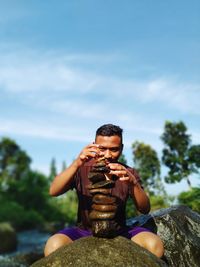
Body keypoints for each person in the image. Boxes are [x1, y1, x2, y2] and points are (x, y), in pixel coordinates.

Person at [44, 124, 164, 258]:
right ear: (94, 146)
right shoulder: (80, 169)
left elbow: (145, 209)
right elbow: (53, 191)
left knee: (155, 245)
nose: (108, 155)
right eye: (102, 149)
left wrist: (133, 183)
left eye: (114, 149)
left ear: (122, 148)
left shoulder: (128, 173)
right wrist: (77, 162)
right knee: (53, 245)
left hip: (120, 231)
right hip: (83, 231)